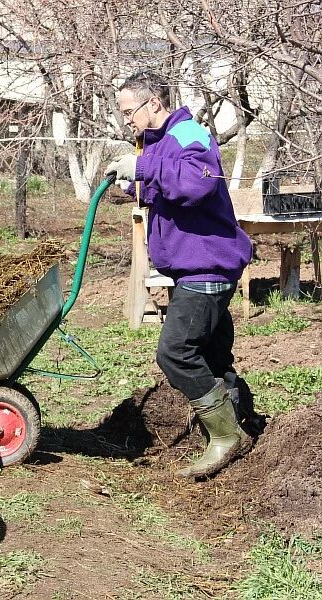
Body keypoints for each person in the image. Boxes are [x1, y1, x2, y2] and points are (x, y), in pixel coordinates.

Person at [104, 70, 254, 479]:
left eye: (128, 111)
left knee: (175, 353)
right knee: (210, 354)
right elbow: (169, 193)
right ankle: (242, 424)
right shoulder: (164, 142)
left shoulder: (189, 134)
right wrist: (134, 184)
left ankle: (227, 437)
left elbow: (196, 185)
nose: (126, 121)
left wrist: (143, 166)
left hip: (207, 265)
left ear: (153, 102)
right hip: (196, 266)